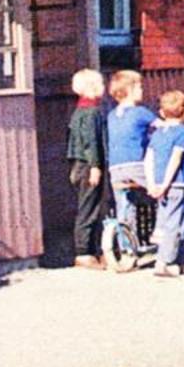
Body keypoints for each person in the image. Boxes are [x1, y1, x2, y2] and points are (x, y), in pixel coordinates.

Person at [145, 89, 184, 278]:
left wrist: (152, 183)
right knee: (174, 223)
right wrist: (166, 184)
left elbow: (148, 158)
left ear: (161, 112)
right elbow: (176, 159)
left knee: (172, 221)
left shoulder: (157, 134)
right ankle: (163, 262)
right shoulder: (182, 132)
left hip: (157, 183)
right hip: (177, 183)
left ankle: (181, 262)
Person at [64, 68, 108, 269]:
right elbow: (90, 142)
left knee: (88, 207)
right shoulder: (91, 113)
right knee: (88, 209)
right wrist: (95, 166)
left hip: (78, 165)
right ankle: (84, 252)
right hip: (88, 165)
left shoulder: (79, 111)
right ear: (92, 87)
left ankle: (92, 250)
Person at [105, 69, 155, 241]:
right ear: (130, 90)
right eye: (140, 87)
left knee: (125, 204)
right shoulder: (140, 112)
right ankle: (165, 230)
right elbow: (165, 128)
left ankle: (126, 246)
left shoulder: (112, 115)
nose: (142, 90)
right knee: (164, 191)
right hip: (135, 164)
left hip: (115, 167)